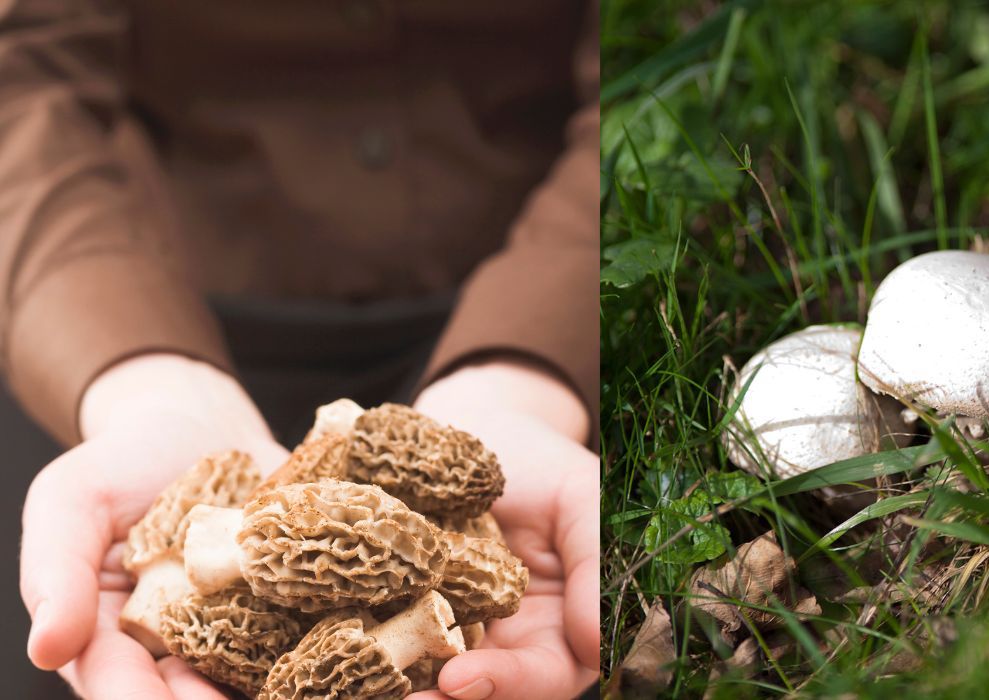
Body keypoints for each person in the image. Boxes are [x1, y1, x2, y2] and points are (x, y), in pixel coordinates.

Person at [4, 1, 599, 699]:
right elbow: (23, 76)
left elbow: (646, 83)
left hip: (528, 286)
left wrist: (529, 370)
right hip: (157, 297)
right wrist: (141, 387)